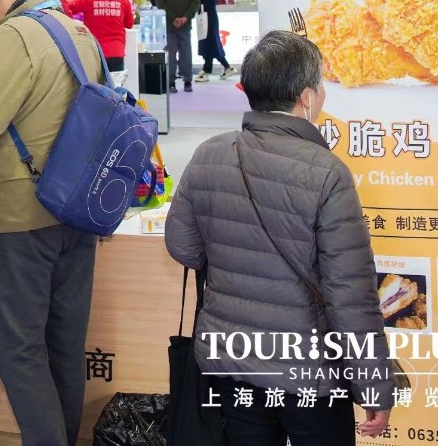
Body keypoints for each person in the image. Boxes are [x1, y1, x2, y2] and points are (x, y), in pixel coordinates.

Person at [164, 31, 394, 443]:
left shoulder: (209, 153)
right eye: (320, 86)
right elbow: (350, 295)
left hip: (233, 363)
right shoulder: (327, 172)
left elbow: (183, 247)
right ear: (306, 97)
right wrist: (373, 385)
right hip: (309, 374)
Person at [0, 0, 107, 446]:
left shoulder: (15, 36)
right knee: (64, 344)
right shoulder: (78, 32)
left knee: (19, 349)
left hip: (19, 214)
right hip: (77, 206)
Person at [66, 0, 135, 75]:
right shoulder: (122, 0)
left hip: (95, 52)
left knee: (96, 84)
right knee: (116, 83)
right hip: (117, 52)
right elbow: (129, 24)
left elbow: (67, 9)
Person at [150, 0, 201, 93]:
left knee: (170, 55)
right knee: (186, 53)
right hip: (185, 26)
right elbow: (196, 2)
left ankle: (171, 83)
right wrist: (185, 17)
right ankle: (187, 82)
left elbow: (160, 4)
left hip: (169, 26)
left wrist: (173, 18)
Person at [196, 0, 229, 79]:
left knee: (210, 43)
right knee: (210, 43)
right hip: (210, 16)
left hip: (206, 17)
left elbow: (200, 1)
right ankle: (208, 69)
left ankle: (222, 67)